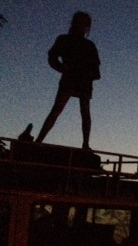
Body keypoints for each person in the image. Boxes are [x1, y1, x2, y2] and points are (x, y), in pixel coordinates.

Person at [35, 11, 101, 149]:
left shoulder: (89, 45)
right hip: (70, 79)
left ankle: (85, 144)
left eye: (84, 24)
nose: (82, 27)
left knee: (85, 113)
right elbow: (52, 57)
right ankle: (39, 140)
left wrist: (88, 74)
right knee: (57, 110)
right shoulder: (64, 40)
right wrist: (62, 68)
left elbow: (96, 67)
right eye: (80, 23)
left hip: (83, 81)